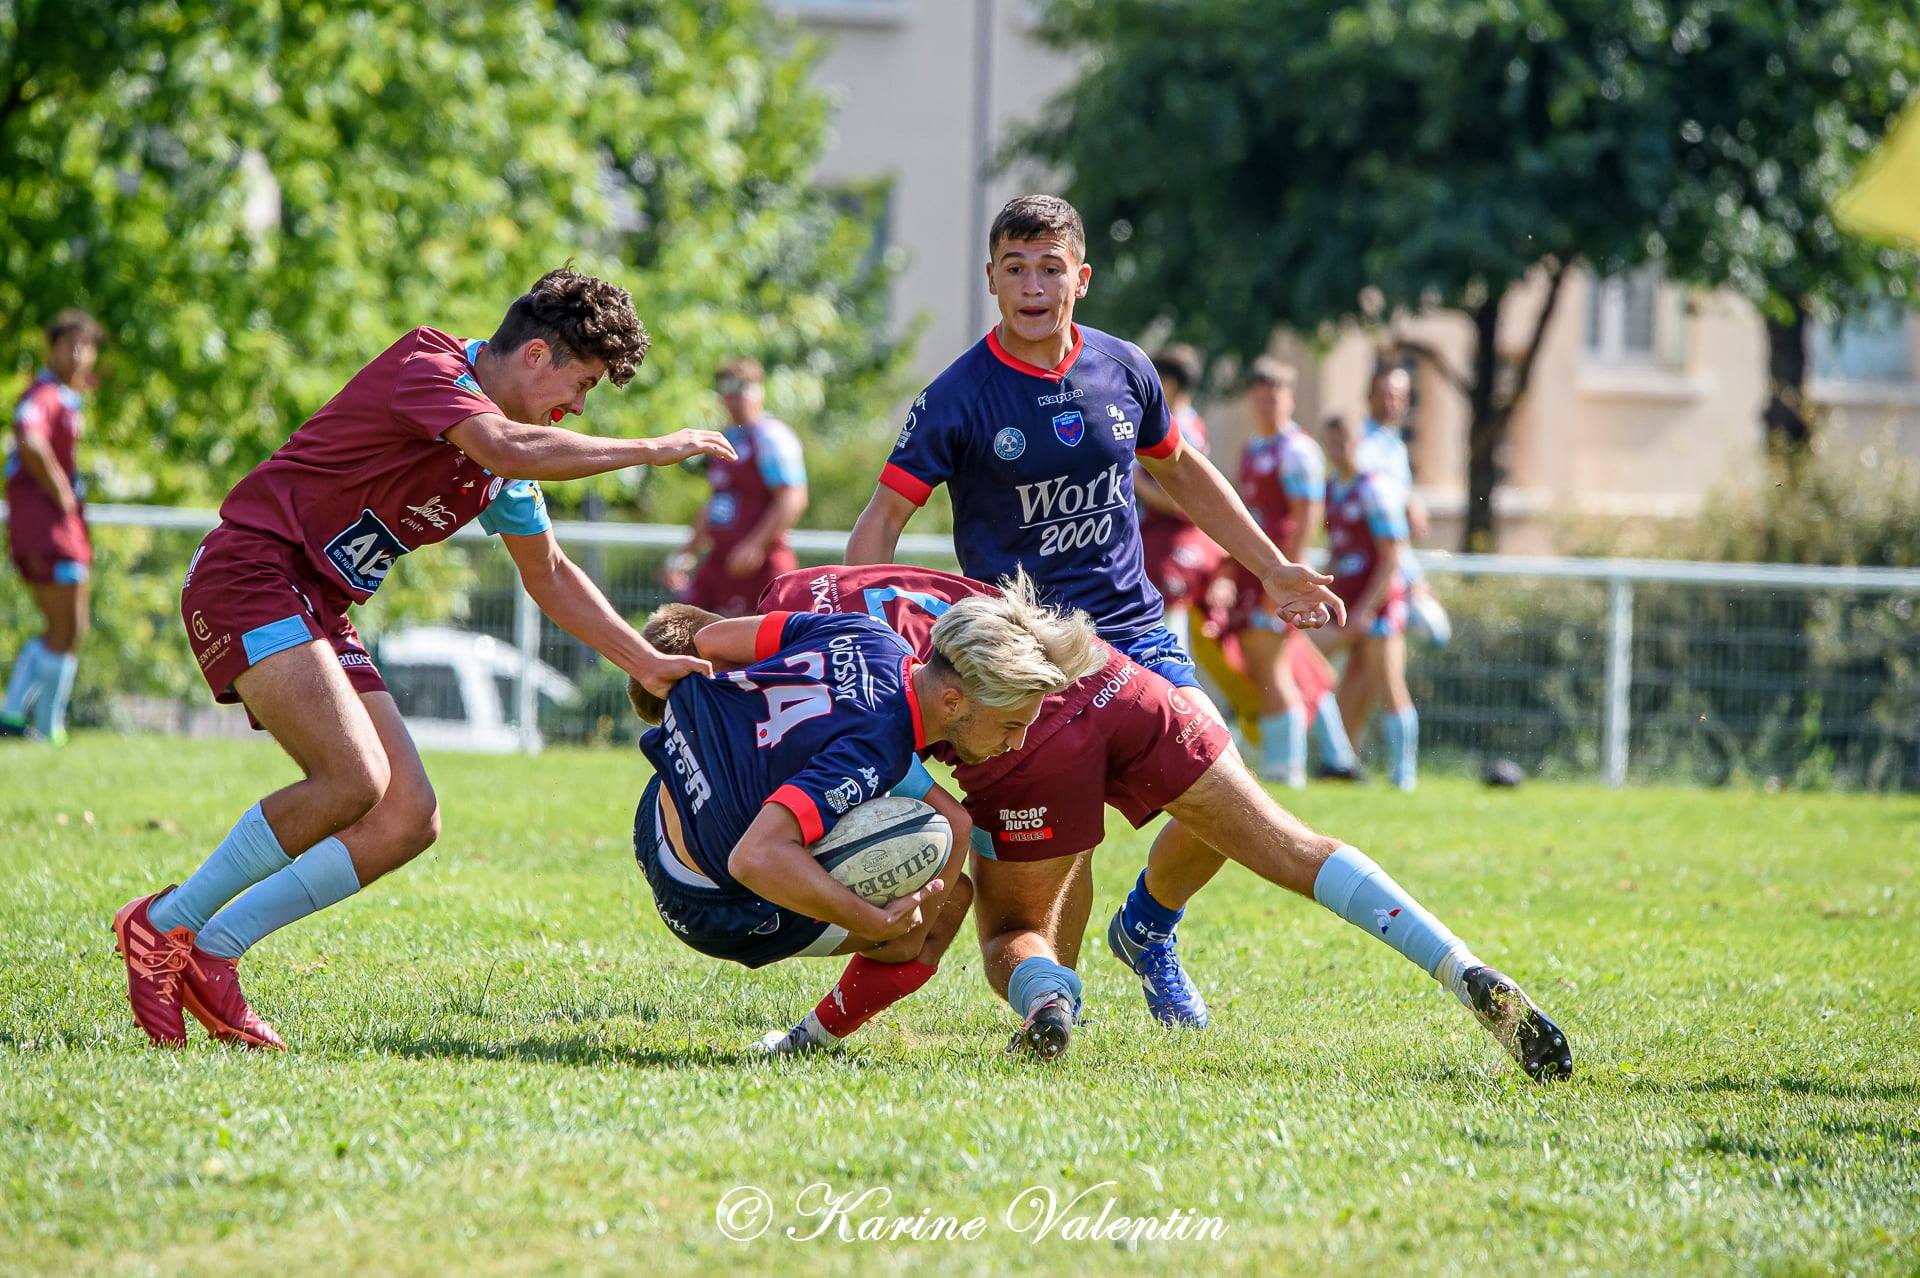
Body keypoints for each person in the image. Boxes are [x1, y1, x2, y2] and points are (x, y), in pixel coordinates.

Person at [112, 268, 737, 1051]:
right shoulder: (430, 367)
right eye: (579, 386)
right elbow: (506, 442)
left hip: (317, 605)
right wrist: (649, 449)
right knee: (353, 780)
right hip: (252, 573)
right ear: (535, 356)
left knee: (408, 815)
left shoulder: (504, 453)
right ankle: (160, 925)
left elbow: (547, 572)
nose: (577, 409)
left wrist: (643, 660)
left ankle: (212, 952)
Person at [750, 564, 1573, 1080]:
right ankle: (1457, 964)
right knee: (1290, 845)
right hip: (1108, 670)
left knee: (1011, 932)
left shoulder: (788, 627)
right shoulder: (841, 587)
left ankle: (1050, 1005)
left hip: (1016, 725)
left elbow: (827, 721)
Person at [844, 194, 1341, 700]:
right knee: (1058, 782)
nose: (1032, 287)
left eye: (1050, 268)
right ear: (992, 279)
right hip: (1019, 653)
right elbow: (884, 517)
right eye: (1015, 269)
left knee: (1212, 755)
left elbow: (1182, 468)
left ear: (1081, 279)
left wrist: (1272, 567)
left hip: (1134, 635)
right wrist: (858, 641)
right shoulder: (955, 398)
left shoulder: (1124, 368)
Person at [623, 573, 1104, 1053]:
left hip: (658, 807)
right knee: (940, 909)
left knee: (948, 829)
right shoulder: (870, 753)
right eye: (1011, 725)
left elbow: (709, 639)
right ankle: (803, 1043)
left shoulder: (867, 633)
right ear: (953, 702)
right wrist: (872, 923)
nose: (1016, 743)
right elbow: (754, 858)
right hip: (705, 900)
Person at [1217, 357, 1358, 786]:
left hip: (1274, 576)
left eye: (1274, 395)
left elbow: (1306, 515)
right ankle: (1332, 758)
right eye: (1259, 396)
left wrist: (1281, 579)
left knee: (1271, 668)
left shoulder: (1297, 450)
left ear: (1289, 398)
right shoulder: (1253, 449)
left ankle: (1286, 769)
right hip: (1254, 573)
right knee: (1281, 664)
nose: (1266, 404)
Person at [2, 310, 103, 744]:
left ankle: (18, 717)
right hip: (48, 530)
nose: (80, 355)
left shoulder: (65, 394)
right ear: (53, 347)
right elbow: (29, 434)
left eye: (88, 346)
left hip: (55, 529)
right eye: (71, 345)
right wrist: (61, 489)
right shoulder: (45, 393)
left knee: (64, 629)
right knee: (69, 627)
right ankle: (37, 723)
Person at [1316, 412, 1419, 791]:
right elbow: (1337, 551)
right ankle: (1340, 760)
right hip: (1346, 604)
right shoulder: (1332, 489)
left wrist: (1366, 610)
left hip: (1379, 608)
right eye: (1331, 442)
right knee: (1314, 669)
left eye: (1343, 441)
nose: (1337, 449)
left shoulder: (1376, 490)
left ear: (1358, 443)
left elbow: (1392, 556)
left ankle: (1403, 775)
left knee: (1389, 686)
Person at [662, 357, 809, 616]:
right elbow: (717, 504)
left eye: (741, 391)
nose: (734, 401)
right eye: (727, 392)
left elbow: (792, 497)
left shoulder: (771, 438)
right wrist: (685, 554)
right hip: (721, 563)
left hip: (761, 567)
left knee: (762, 650)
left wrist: (755, 544)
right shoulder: (725, 438)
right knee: (682, 631)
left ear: (758, 392)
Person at [1133, 344, 1224, 653]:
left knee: (1166, 642)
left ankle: (1178, 699)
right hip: (1160, 543)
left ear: (1168, 383)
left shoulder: (1184, 429)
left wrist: (1134, 483)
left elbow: (1179, 501)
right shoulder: (1175, 421)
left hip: (1173, 549)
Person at [1359, 363, 1451, 649]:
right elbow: (1386, 529)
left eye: (1399, 396)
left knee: (1363, 680)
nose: (1392, 403)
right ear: (1369, 396)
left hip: (1388, 572)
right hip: (1374, 575)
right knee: (1386, 680)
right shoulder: (1364, 446)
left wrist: (1412, 499)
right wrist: (1412, 578)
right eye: (1385, 394)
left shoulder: (1394, 446)